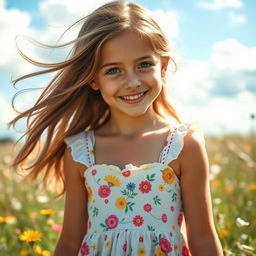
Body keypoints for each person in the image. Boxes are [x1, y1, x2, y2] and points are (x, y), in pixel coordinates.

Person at [9, 1, 223, 255]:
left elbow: (203, 239)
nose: (132, 82)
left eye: (144, 64)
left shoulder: (183, 145)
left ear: (163, 66)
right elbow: (69, 241)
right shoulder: (81, 152)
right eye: (113, 70)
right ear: (93, 80)